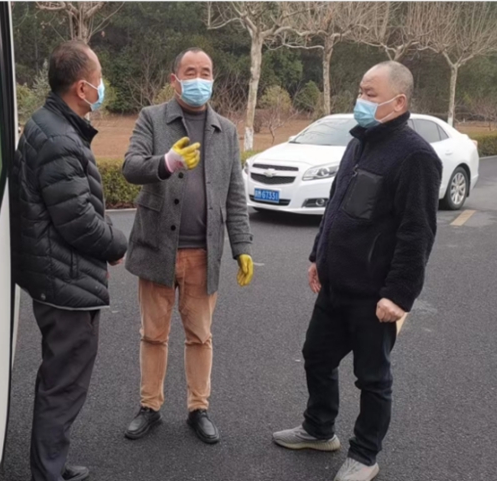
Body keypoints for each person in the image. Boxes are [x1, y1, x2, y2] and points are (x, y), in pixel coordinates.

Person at [273, 61, 442, 481]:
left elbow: (417, 232)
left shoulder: (416, 157)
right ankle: (319, 429)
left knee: (372, 378)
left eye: (370, 94)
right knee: (316, 356)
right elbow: (335, 205)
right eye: (360, 91)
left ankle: (365, 456)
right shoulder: (359, 141)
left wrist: (399, 295)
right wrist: (318, 255)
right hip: (336, 285)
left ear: (398, 102)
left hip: (373, 294)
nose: (360, 100)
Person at [121, 47, 254, 444]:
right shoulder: (152, 118)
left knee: (200, 336)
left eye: (206, 71)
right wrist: (166, 163)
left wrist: (242, 246)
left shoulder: (225, 130)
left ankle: (199, 408)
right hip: (156, 248)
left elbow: (235, 194)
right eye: (190, 71)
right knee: (153, 334)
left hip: (203, 253)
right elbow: (130, 167)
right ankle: (150, 406)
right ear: (174, 79)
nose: (199, 78)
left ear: (214, 78)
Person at [10, 40, 127, 481]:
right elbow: (77, 220)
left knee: (58, 378)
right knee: (64, 384)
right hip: (65, 283)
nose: (102, 86)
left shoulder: (50, 125)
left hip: (56, 275)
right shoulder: (60, 138)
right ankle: (47, 472)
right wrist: (117, 244)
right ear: (82, 88)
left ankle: (51, 464)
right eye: (99, 79)